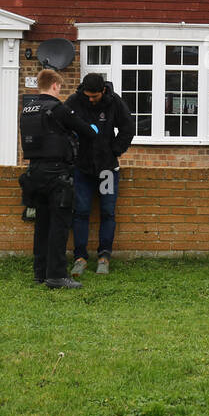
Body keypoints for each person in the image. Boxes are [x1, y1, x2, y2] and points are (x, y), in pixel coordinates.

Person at [19, 69, 87, 289]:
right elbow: (84, 130)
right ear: (56, 85)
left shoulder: (27, 110)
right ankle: (57, 276)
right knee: (60, 224)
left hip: (35, 172)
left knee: (42, 224)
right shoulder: (57, 109)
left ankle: (40, 272)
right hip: (57, 174)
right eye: (60, 86)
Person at [65, 72, 135, 276]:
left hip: (106, 170)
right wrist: (73, 151)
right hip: (82, 168)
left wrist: (114, 151)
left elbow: (128, 128)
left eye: (94, 96)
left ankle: (104, 257)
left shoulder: (114, 102)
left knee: (107, 212)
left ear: (102, 91)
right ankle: (80, 258)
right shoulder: (74, 101)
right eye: (87, 95)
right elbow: (62, 127)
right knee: (81, 212)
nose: (90, 99)